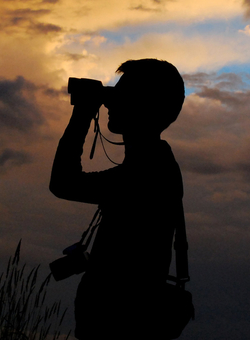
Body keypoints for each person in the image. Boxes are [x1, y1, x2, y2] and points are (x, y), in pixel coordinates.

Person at [49, 59, 185, 339]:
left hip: (118, 326)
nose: (109, 103)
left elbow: (63, 183)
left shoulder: (149, 172)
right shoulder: (153, 165)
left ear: (143, 106)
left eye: (120, 96)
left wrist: (83, 113)